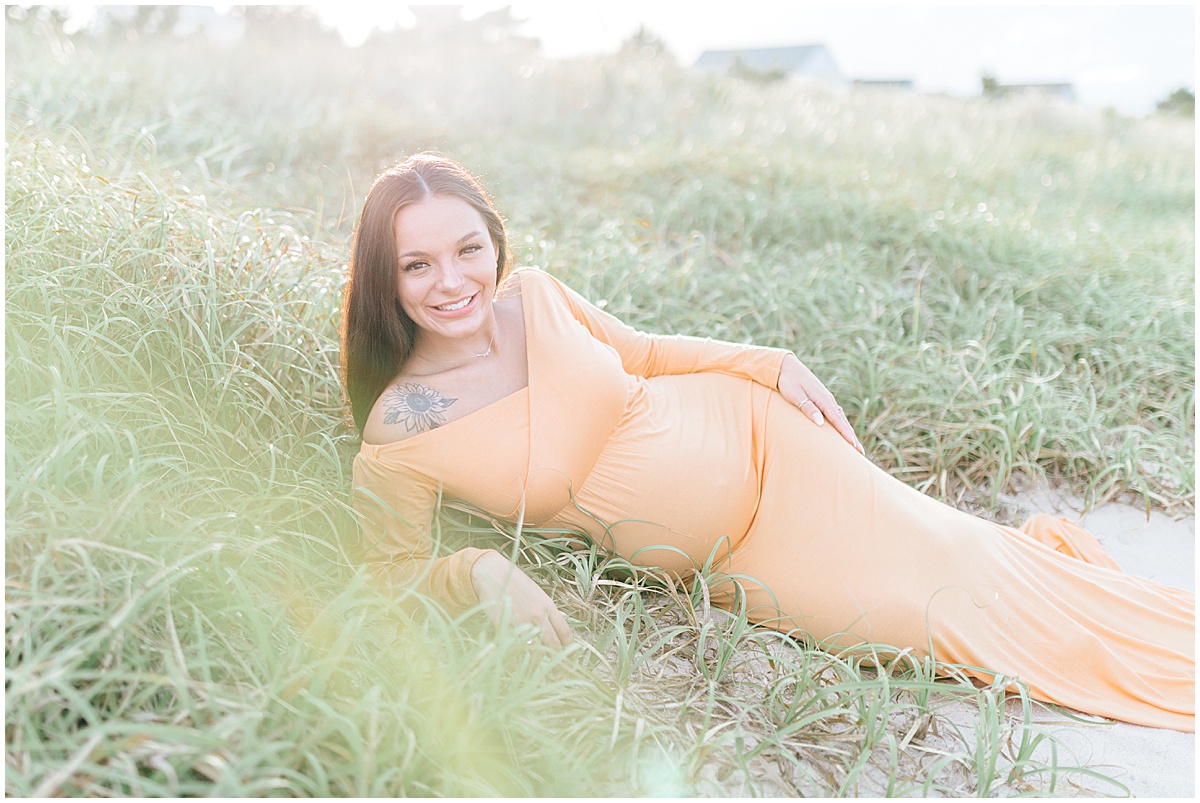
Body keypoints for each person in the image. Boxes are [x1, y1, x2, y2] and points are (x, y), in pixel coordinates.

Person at [341, 153, 1194, 732]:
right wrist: (477, 570)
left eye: (468, 248)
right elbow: (386, 574)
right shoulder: (403, 429)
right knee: (935, 620)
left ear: (495, 243)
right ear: (386, 277)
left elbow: (644, 355)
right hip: (733, 555)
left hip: (770, 445)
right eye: (418, 265)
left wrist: (768, 362)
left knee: (965, 560)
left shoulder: (536, 297)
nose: (454, 281)